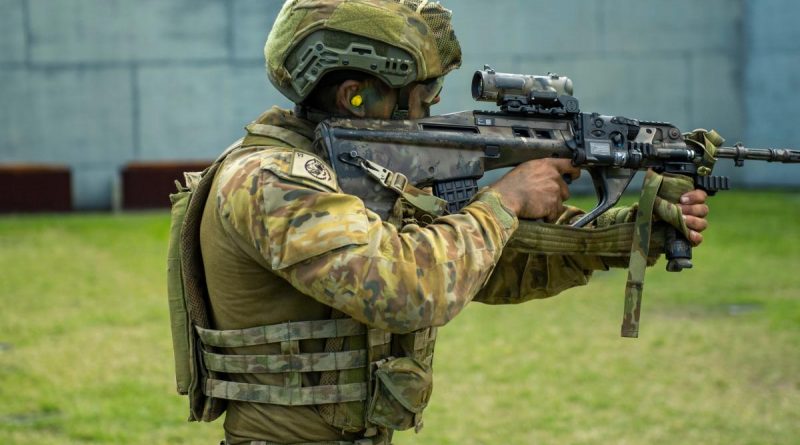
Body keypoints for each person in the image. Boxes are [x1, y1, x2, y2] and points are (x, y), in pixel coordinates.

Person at [192, 1, 709, 444]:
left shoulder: (354, 176)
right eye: (424, 89)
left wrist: (626, 233)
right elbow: (407, 288)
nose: (433, 104)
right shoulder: (270, 180)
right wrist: (505, 200)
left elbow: (480, 264)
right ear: (357, 94)